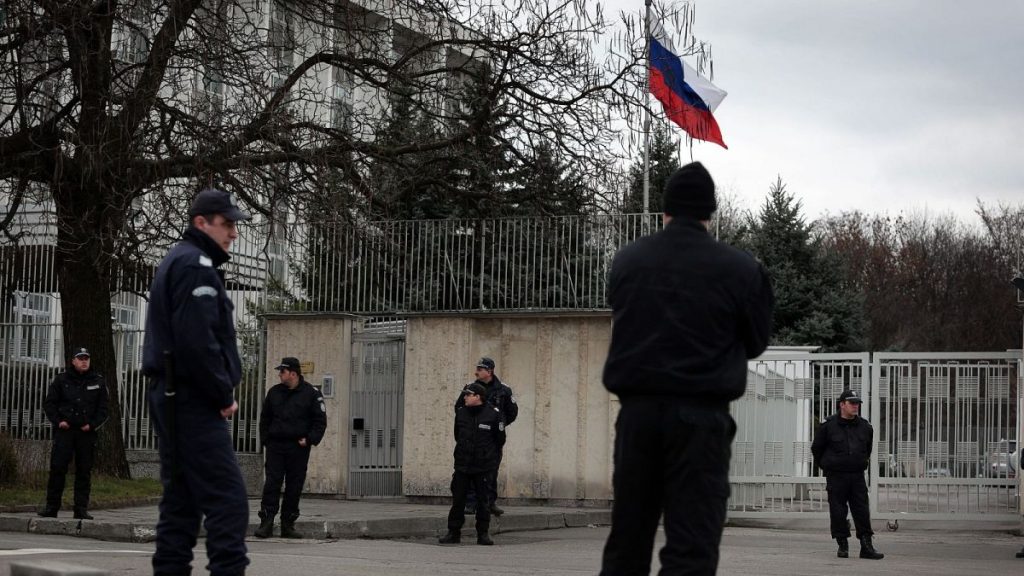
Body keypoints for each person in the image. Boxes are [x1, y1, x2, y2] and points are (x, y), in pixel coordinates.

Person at [599, 161, 775, 575]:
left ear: (665, 211)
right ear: (709, 214)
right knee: (692, 545)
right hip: (701, 419)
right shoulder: (742, 269)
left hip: (638, 417)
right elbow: (755, 342)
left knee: (628, 539)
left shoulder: (628, 261)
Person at [142, 187, 251, 576]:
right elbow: (198, 342)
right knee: (228, 500)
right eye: (227, 224)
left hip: (173, 394)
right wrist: (222, 392)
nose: (233, 233)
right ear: (201, 222)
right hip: (192, 399)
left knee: (182, 501)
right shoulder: (195, 265)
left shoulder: (180, 259)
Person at [254, 357, 327, 539]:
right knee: (272, 483)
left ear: (293, 373)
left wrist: (309, 440)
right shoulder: (274, 392)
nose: (279, 374)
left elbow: (320, 421)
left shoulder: (312, 393)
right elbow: (265, 419)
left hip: (298, 447)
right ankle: (267, 522)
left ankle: (288, 524)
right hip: (276, 446)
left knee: (294, 486)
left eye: (283, 372)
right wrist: (266, 441)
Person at [811, 389, 884, 560]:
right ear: (842, 405)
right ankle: (842, 544)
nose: (855, 406)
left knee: (862, 511)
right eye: (852, 403)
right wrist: (827, 466)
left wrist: (859, 462)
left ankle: (866, 546)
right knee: (838, 511)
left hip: (857, 475)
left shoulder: (865, 427)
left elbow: (868, 449)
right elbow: (817, 449)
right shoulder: (828, 426)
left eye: (857, 403)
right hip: (836, 476)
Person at [38, 346, 109, 520]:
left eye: (86, 358)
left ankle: (81, 509)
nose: (84, 361)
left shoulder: (98, 381)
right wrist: (58, 421)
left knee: (84, 471)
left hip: (86, 433)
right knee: (58, 469)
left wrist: (92, 425)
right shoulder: (61, 380)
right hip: (65, 431)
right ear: (73, 361)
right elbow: (50, 404)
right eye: (80, 358)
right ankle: (52, 507)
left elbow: (104, 409)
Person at [439, 382, 505, 546]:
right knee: (458, 500)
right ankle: (453, 533)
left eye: (468, 395)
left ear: (478, 397)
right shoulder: (461, 413)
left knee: (483, 501)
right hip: (463, 464)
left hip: (482, 466)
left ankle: (483, 534)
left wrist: (487, 457)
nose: (465, 397)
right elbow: (457, 435)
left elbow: (500, 440)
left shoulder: (493, 415)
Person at [453, 356, 517, 516]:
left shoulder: (503, 389)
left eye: (480, 369)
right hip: (472, 438)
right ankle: (471, 503)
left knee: (491, 470)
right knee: (469, 470)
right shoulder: (470, 388)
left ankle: (489, 502)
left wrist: (496, 426)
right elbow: (459, 409)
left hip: (491, 439)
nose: (477, 372)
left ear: (489, 371)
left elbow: (512, 412)